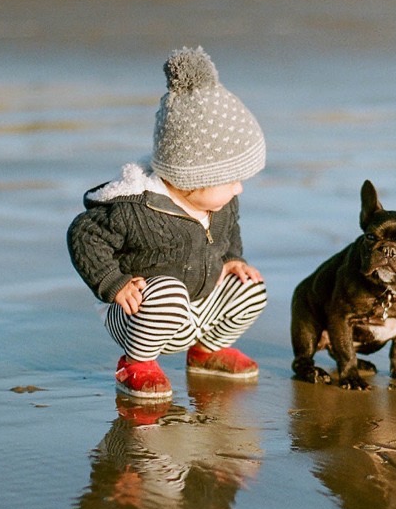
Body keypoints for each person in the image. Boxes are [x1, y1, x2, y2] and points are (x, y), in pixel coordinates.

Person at [67, 46, 267, 400]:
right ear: (190, 177)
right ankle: (137, 363)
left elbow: (228, 231)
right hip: (140, 312)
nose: (239, 188)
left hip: (199, 308)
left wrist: (234, 258)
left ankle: (207, 352)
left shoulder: (222, 202)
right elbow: (84, 234)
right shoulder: (137, 208)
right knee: (168, 291)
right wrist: (114, 283)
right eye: (230, 179)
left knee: (250, 287)